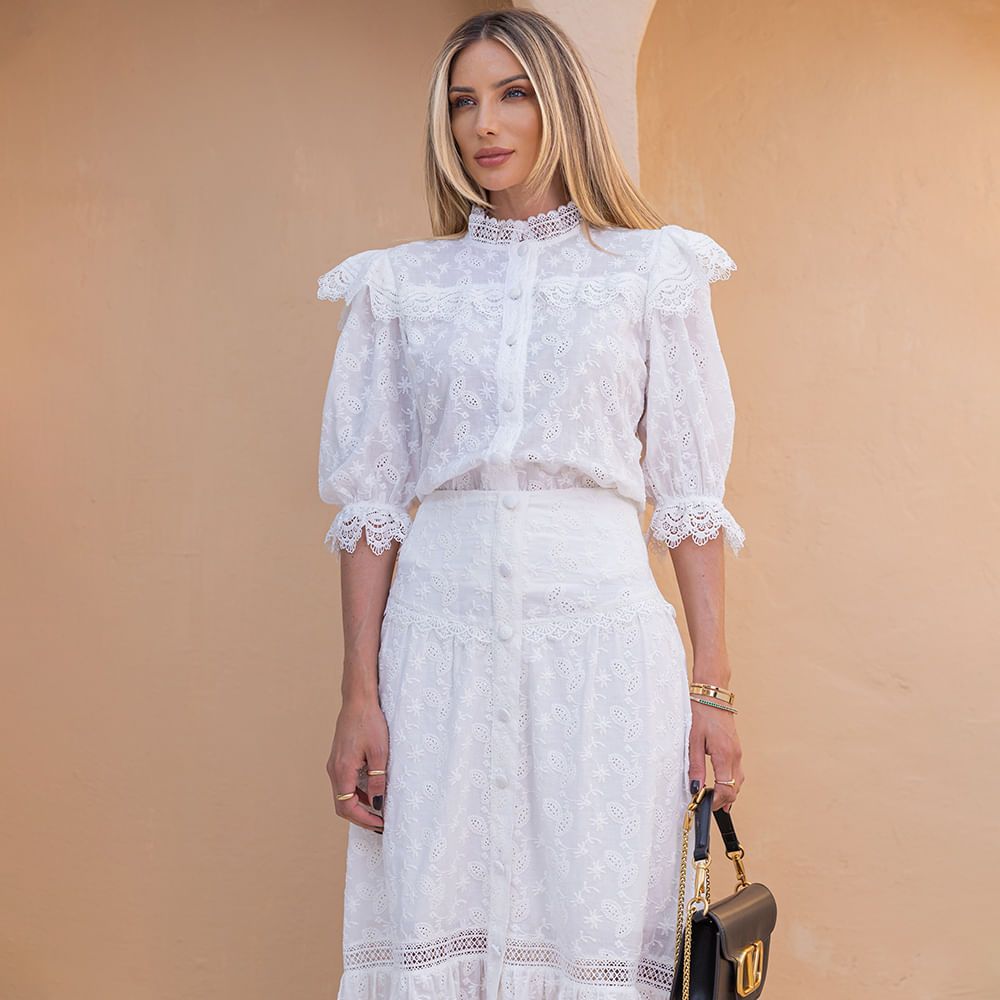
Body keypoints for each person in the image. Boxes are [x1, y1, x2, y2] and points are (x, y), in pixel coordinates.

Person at [316, 10, 746, 1000]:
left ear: (562, 106)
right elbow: (371, 512)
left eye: (513, 94)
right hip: (438, 648)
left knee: (591, 926)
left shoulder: (652, 272)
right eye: (462, 102)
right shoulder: (399, 286)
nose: (484, 124)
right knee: (439, 920)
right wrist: (358, 695)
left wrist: (713, 694)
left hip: (600, 650)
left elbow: (688, 498)